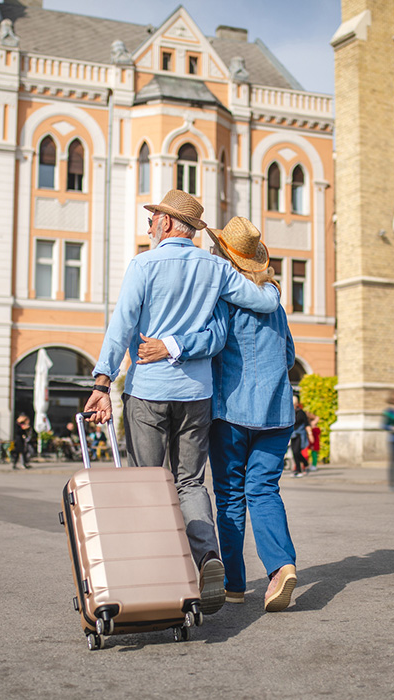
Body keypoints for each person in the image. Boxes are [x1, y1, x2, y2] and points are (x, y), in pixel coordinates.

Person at [84, 191, 282, 616]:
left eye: (155, 218)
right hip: (197, 395)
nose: (150, 223)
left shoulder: (143, 265)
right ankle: (208, 557)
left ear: (171, 224)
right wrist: (272, 285)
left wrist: (102, 382)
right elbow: (264, 302)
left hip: (149, 392)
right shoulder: (215, 268)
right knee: (190, 482)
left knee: (150, 483)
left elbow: (120, 327)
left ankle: (157, 574)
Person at [138, 216, 299, 612]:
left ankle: (235, 584)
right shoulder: (273, 301)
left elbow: (214, 341)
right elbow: (290, 355)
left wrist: (168, 347)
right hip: (278, 413)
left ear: (226, 257)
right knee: (263, 490)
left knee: (229, 496)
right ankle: (281, 567)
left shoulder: (224, 297)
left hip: (233, 413)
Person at [290, 396, 311, 477]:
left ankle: (304, 464)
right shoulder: (289, 413)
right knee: (294, 452)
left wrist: (310, 433)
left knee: (296, 451)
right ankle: (298, 470)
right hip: (292, 434)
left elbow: (306, 424)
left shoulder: (301, 413)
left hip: (299, 434)